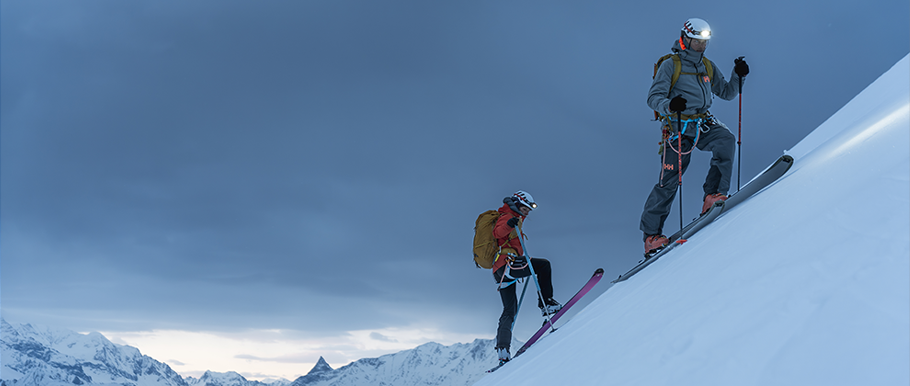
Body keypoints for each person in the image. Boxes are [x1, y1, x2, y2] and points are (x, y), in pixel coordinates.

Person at [640, 18, 750, 253]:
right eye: (698, 41)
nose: (702, 45)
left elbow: (727, 93)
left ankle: (713, 195)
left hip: (702, 122)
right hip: (678, 127)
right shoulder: (671, 65)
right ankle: (651, 237)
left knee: (725, 140)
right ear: (686, 38)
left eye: (705, 41)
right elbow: (653, 97)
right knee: (668, 181)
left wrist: (738, 76)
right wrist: (671, 105)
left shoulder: (707, 66)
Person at [491, 190, 561, 365]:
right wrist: (509, 223)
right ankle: (547, 304)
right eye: (525, 208)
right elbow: (497, 233)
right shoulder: (507, 215)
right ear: (517, 204)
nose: (527, 212)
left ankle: (503, 350)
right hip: (508, 264)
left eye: (529, 209)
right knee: (543, 265)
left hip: (500, 270)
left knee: (509, 310)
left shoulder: (514, 217)